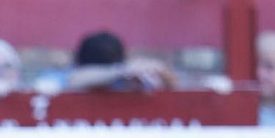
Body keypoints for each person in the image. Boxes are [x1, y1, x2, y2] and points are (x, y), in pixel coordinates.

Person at [35, 30, 174, 94]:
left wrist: (158, 73)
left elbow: (171, 85)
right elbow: (70, 80)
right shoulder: (58, 77)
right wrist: (121, 70)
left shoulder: (128, 79)